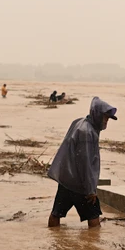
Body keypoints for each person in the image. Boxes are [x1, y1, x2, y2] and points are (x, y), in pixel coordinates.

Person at [47, 96, 117, 228]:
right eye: (105, 118)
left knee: (56, 213)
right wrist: (91, 190)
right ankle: (93, 242)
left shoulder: (79, 122)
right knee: (93, 218)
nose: (106, 121)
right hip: (80, 184)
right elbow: (85, 163)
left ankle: (53, 238)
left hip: (66, 180)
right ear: (97, 115)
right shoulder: (87, 133)